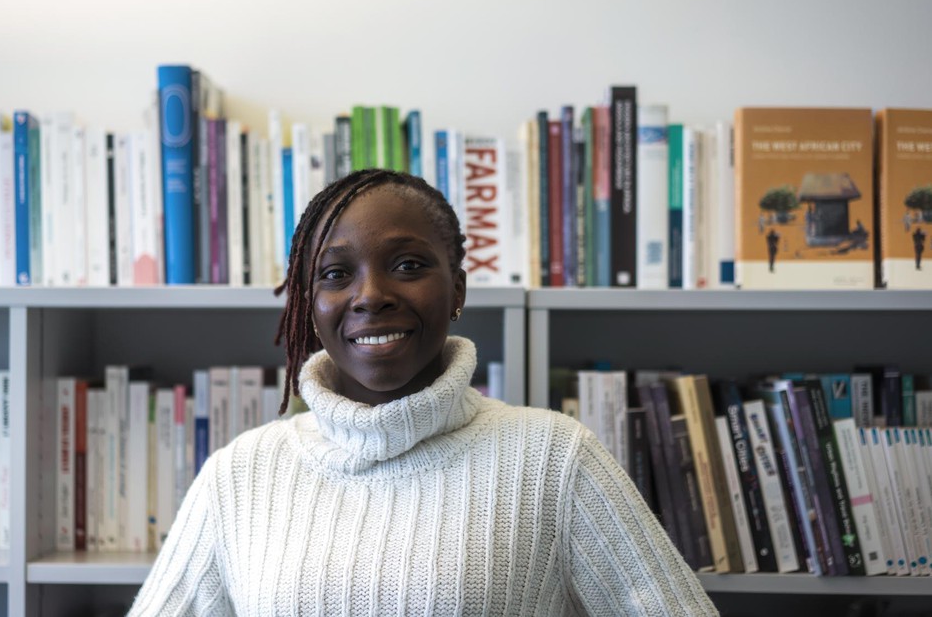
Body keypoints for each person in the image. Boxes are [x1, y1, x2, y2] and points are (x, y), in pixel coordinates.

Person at [127, 169, 717, 616]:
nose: (370, 295)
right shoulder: (241, 474)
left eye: (408, 265)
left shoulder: (554, 460)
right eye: (336, 274)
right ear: (310, 304)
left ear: (456, 289)